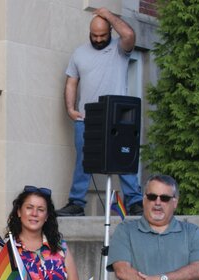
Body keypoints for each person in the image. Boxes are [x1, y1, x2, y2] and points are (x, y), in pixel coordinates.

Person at [57, 8, 141, 217]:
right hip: (88, 117)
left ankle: (135, 202)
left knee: (124, 155)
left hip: (117, 115)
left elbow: (130, 35)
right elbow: (71, 81)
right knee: (83, 160)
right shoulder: (79, 53)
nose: (98, 39)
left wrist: (109, 15)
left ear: (110, 31)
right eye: (94, 35)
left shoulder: (120, 48)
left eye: (103, 35)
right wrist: (70, 109)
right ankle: (76, 203)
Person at [0, 186, 80, 280]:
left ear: (47, 216)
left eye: (41, 209)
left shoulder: (61, 247)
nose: (34, 213)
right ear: (19, 212)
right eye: (29, 208)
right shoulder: (5, 248)